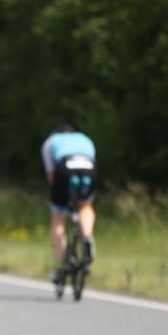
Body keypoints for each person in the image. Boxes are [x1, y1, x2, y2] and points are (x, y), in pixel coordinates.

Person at [41, 122, 97, 285]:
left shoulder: (50, 142)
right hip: (88, 167)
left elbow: (51, 176)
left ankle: (61, 265)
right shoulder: (85, 139)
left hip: (65, 167)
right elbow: (93, 160)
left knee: (58, 219)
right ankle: (87, 236)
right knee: (85, 206)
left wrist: (60, 198)